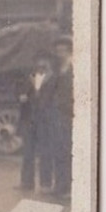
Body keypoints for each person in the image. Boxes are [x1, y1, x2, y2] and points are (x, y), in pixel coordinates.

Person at [16, 51, 54, 192]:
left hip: (45, 122)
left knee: (45, 153)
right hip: (29, 121)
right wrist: (21, 96)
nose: (40, 65)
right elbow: (20, 92)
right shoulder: (29, 78)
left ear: (48, 64)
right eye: (38, 62)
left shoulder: (52, 79)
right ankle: (26, 183)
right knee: (27, 153)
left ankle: (46, 184)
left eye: (43, 62)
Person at [49, 34, 73, 200]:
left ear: (68, 51)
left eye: (62, 50)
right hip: (57, 114)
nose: (59, 53)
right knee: (58, 150)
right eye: (57, 51)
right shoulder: (57, 69)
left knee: (67, 151)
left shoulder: (73, 67)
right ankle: (59, 186)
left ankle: (67, 188)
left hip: (69, 115)